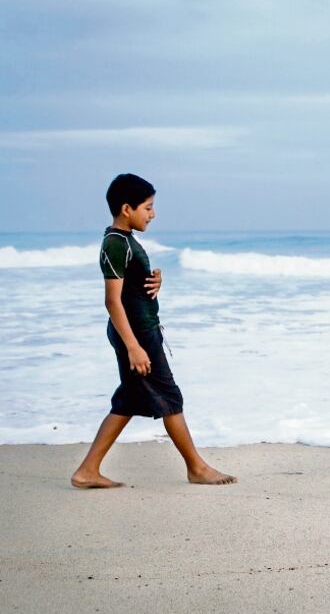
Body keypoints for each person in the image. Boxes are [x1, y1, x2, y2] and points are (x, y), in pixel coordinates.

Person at [71, 173, 237, 488]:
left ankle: (87, 470)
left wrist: (154, 283)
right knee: (169, 396)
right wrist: (134, 346)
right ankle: (197, 468)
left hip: (139, 330)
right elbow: (112, 301)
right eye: (147, 207)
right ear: (126, 208)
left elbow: (131, 291)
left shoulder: (125, 242)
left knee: (129, 400)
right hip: (136, 334)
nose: (153, 213)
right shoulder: (116, 244)